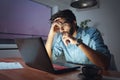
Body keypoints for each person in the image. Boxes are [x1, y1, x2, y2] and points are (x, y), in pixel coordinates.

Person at [45, 9, 111, 70]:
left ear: (74, 22)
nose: (61, 29)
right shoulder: (61, 39)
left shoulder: (91, 33)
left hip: (94, 75)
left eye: (64, 24)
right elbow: (47, 60)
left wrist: (77, 42)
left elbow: (104, 64)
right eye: (58, 26)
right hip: (74, 75)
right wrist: (51, 35)